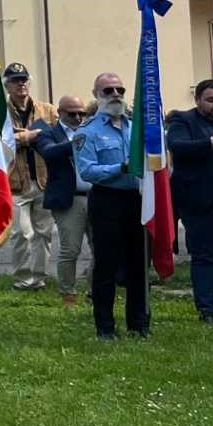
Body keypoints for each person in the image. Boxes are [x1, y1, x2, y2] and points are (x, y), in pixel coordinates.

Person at [74, 72, 148, 338]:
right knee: (106, 266)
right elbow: (87, 171)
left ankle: (139, 324)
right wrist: (121, 167)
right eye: (108, 91)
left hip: (136, 200)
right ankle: (105, 327)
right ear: (96, 94)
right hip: (107, 201)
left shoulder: (136, 127)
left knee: (138, 265)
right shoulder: (87, 131)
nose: (115, 94)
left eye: (120, 89)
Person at [166, 79, 213, 324]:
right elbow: (177, 147)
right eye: (211, 100)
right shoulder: (182, 120)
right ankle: (207, 311)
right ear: (197, 100)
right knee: (204, 259)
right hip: (200, 207)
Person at [0, 63, 58, 291]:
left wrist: (24, 137)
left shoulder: (47, 110)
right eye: (15, 80)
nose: (21, 83)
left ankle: (39, 278)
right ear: (7, 85)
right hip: (15, 183)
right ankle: (23, 279)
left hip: (44, 180)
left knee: (44, 234)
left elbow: (55, 135)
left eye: (24, 79)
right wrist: (31, 136)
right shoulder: (0, 112)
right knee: (21, 234)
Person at [37, 95, 92, 307]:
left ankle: (94, 291)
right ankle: (68, 293)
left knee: (101, 247)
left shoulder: (90, 130)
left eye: (82, 113)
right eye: (72, 113)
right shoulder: (49, 133)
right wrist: (74, 144)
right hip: (69, 199)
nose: (78, 117)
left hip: (96, 195)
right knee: (71, 249)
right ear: (59, 113)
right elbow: (49, 153)